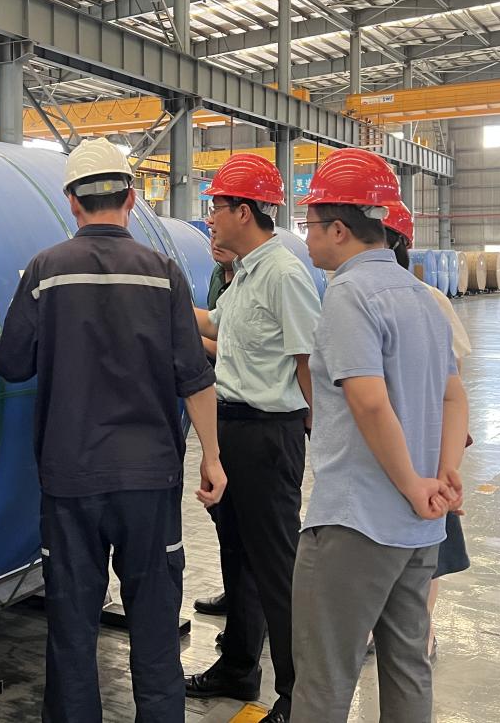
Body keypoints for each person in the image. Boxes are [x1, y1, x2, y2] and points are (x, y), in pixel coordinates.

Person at [0, 138, 227, 723]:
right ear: (131, 199)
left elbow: (11, 364)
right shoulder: (163, 273)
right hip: (149, 479)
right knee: (155, 625)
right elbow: (194, 376)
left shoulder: (45, 271)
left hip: (70, 476)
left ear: (72, 201)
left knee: (72, 627)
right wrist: (212, 457)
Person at [290, 149, 468, 723]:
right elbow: (454, 397)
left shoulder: (349, 293)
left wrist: (414, 483)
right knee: (408, 665)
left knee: (324, 677)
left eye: (310, 225)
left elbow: (367, 400)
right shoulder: (422, 297)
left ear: (338, 229)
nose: (307, 237)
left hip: (358, 520)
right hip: (419, 527)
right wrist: (442, 477)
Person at [185, 153, 322, 723]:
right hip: (234, 429)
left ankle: (296, 696)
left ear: (244, 211)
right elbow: (217, 326)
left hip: (269, 435)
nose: (210, 218)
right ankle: (239, 666)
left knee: (275, 567)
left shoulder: (284, 273)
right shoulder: (244, 274)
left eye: (216, 207)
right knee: (237, 556)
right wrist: (165, 298)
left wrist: (316, 429)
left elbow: (308, 357)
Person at [383, 202, 472, 664]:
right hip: (380, 448)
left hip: (423, 443)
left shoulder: (428, 299)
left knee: (429, 543)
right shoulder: (349, 295)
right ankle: (385, 627)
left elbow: (451, 384)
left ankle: (423, 627)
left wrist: (446, 464)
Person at [194, 237, 237, 618]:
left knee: (254, 522)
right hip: (219, 400)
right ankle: (236, 591)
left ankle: (262, 606)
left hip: (249, 412)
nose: (214, 240)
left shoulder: (258, 279)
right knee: (221, 510)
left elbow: (235, 349)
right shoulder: (214, 276)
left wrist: (191, 340)